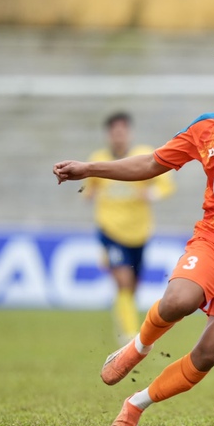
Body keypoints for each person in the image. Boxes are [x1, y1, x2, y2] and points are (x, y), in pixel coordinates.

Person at [53, 34, 214, 426]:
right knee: (179, 300)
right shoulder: (205, 129)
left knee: (208, 352)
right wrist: (90, 168)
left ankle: (135, 405)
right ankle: (137, 348)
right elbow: (151, 164)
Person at [83, 111, 176, 346]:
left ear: (129, 133)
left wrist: (151, 194)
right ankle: (130, 334)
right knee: (123, 281)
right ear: (108, 135)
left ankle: (123, 320)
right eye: (114, 132)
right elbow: (88, 188)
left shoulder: (142, 156)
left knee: (132, 287)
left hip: (139, 233)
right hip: (111, 231)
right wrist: (88, 193)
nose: (119, 136)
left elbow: (166, 185)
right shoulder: (99, 159)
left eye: (122, 132)